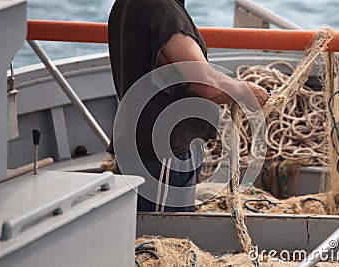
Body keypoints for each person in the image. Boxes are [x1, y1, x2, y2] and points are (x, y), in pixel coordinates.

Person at [107, 0, 268, 212]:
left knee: (144, 232)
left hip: (141, 144)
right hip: (161, 154)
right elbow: (209, 84)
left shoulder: (127, 4)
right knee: (164, 237)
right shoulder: (164, 12)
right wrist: (246, 91)